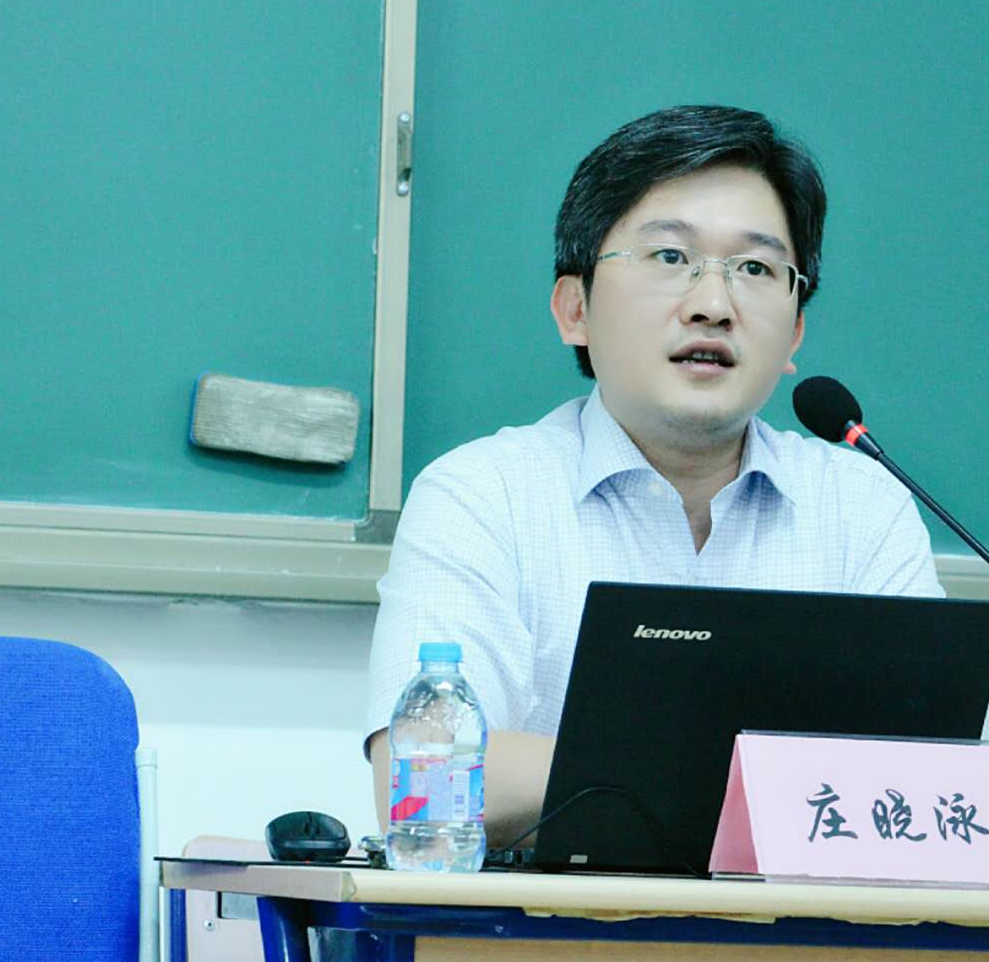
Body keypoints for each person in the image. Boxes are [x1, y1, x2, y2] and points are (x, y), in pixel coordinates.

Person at [365, 105, 943, 847]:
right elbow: (421, 780)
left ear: (795, 331)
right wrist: (744, 776)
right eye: (670, 257)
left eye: (756, 269)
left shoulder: (863, 509)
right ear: (574, 309)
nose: (713, 306)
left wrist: (634, 772)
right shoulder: (483, 495)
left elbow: (926, 785)